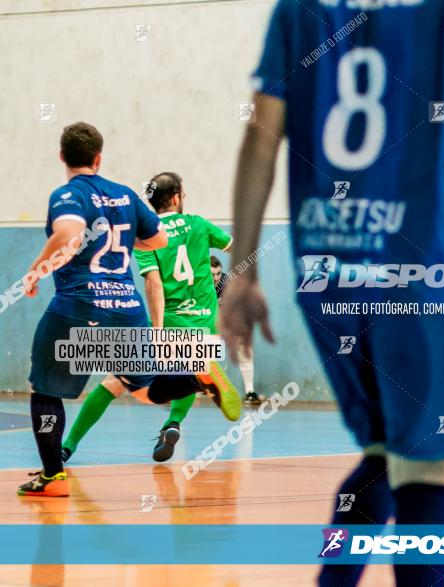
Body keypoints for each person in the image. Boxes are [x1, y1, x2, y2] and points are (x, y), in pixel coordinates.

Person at [220, 1, 444, 585]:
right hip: (419, 273)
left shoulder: (298, 8)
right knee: (426, 473)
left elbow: (261, 135)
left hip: (326, 270)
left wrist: (243, 271)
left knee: (385, 455)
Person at [19, 123, 239, 497]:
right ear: (98, 157)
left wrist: (35, 271)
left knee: (44, 389)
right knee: (145, 388)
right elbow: (158, 238)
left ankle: (53, 476)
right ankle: (196, 378)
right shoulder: (124, 195)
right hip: (127, 307)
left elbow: (70, 236)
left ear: (62, 157)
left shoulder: (68, 194)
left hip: (79, 305)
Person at [60, 171, 239, 463]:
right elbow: (235, 246)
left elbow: (153, 283)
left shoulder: (148, 236)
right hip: (207, 324)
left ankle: (67, 446)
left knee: (114, 382)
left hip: (172, 323)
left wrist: (156, 330)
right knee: (189, 370)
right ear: (178, 197)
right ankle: (174, 422)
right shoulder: (199, 224)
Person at [212, 255, 262, 406]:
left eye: (218, 273)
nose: (216, 278)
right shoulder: (196, 283)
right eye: (212, 274)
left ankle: (249, 392)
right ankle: (185, 389)